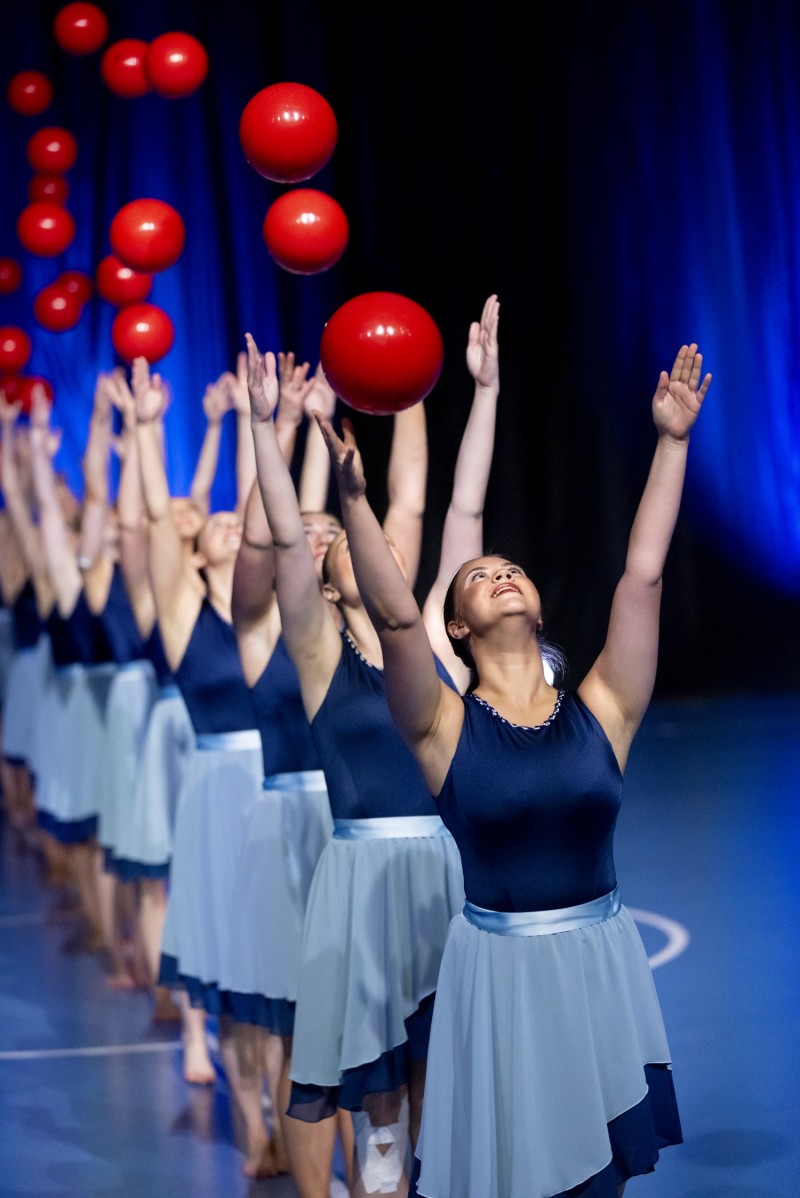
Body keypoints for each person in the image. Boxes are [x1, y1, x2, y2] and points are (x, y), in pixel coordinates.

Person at [316, 340, 711, 1197]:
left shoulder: (604, 707)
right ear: (457, 626)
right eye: (479, 577)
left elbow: (643, 577)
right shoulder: (441, 724)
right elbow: (394, 618)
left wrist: (672, 443)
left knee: (599, 1173)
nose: (499, 575)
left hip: (598, 960)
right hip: (498, 976)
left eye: (511, 570)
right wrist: (352, 499)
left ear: (536, 605)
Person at [244, 294, 501, 1198]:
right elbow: (286, 536)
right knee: (379, 1103)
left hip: (445, 870)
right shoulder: (320, 653)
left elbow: (453, 504)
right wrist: (267, 428)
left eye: (385, 541)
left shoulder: (433, 639)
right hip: (362, 877)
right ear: (328, 577)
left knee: (438, 1073)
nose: (376, 545)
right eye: (353, 545)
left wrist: (474, 391)